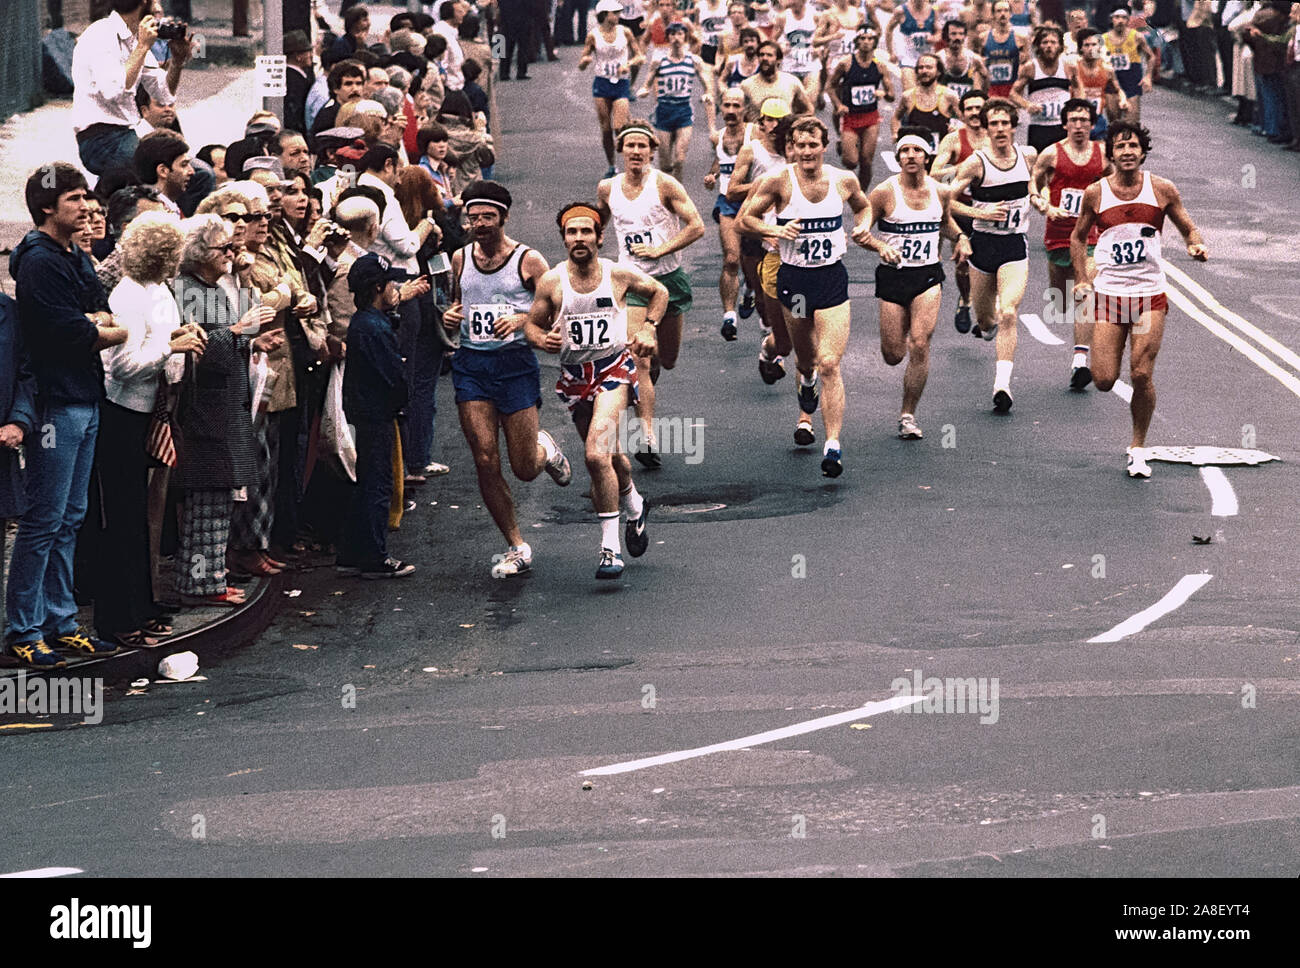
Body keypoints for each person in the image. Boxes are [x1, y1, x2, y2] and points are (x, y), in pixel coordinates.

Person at [6, 164, 129, 668]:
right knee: (44, 520)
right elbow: (72, 332)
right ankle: (23, 629)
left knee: (70, 518)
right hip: (57, 403)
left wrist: (97, 323)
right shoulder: (38, 261)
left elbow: (102, 310)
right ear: (47, 208)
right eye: (75, 199)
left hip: (84, 395)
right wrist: (100, 327)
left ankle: (60, 622)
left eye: (85, 197)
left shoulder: (72, 253)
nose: (85, 207)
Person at [522, 203, 664, 580]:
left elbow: (659, 291)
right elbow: (532, 325)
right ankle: (635, 506)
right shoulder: (552, 281)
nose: (579, 238)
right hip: (574, 378)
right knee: (613, 459)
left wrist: (649, 327)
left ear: (600, 237)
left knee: (595, 456)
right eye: (572, 232)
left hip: (613, 369)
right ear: (564, 239)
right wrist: (542, 340)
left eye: (587, 232)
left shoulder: (616, 274)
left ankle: (609, 549)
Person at [440, 182, 574, 578]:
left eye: (487, 217)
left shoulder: (528, 261)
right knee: (484, 458)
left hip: (515, 365)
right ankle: (516, 545)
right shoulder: (460, 258)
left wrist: (520, 320)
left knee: (524, 468)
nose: (479, 224)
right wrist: (450, 316)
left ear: (504, 217)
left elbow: (557, 310)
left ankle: (545, 449)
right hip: (472, 366)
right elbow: (456, 304)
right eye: (473, 217)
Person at [1070, 121, 1208, 478]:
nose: (1127, 152)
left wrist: (1194, 243)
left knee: (1141, 372)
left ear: (1143, 151)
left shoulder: (1162, 189)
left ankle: (1138, 447)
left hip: (1149, 295)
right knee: (1102, 379)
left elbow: (1187, 226)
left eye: (1133, 146)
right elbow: (1077, 237)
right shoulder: (1096, 193)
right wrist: (1082, 279)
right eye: (1120, 147)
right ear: (1111, 154)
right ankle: (1133, 436)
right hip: (1111, 296)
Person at [736, 115, 872, 477]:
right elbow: (743, 221)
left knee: (830, 362)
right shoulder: (778, 181)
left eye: (814, 145)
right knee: (805, 359)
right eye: (800, 145)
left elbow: (863, 205)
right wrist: (774, 228)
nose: (807, 151)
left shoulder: (843, 180)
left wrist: (863, 225)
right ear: (791, 148)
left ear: (824, 147)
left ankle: (833, 445)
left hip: (831, 280)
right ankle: (805, 380)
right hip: (793, 281)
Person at [94, 211, 207, 647]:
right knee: (121, 517)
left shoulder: (158, 290)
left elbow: (156, 341)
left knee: (140, 515)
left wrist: (177, 332)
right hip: (124, 412)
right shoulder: (129, 296)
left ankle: (142, 602)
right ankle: (118, 615)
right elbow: (123, 367)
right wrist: (169, 346)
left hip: (151, 408)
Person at [172, 214, 283, 605]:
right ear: (200, 253)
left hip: (227, 406)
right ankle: (200, 584)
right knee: (206, 502)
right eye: (224, 248)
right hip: (206, 411)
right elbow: (198, 349)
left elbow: (234, 335)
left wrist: (253, 341)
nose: (232, 254)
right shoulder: (187, 289)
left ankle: (213, 578)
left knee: (220, 501)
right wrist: (238, 333)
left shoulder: (213, 287)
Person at [597, 121, 705, 468]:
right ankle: (646, 436)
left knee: (665, 359)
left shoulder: (665, 184)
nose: (636, 152)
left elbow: (697, 226)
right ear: (621, 150)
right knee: (639, 359)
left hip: (669, 280)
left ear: (652, 151)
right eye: (630, 146)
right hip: (634, 284)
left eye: (643, 146)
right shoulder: (607, 188)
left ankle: (647, 380)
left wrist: (661, 251)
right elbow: (598, 223)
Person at [861, 129, 971, 440]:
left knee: (920, 343)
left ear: (927, 157)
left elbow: (944, 223)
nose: (910, 155)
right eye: (904, 151)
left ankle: (907, 415)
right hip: (893, 277)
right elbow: (861, 230)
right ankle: (901, 337)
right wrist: (880, 246)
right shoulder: (883, 192)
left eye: (917, 150)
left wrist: (961, 238)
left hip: (927, 275)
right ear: (898, 158)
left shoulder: (940, 191)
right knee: (894, 354)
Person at [947, 97, 1038, 413]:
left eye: (1005, 123)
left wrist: (1040, 199)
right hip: (983, 247)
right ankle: (985, 327)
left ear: (1014, 126)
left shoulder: (1028, 156)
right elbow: (947, 201)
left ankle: (1002, 384)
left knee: (1009, 312)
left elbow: (1036, 185)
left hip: (1014, 246)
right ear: (986, 128)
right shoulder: (976, 163)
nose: (1000, 129)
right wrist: (979, 214)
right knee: (986, 322)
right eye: (994, 123)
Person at [341, 254, 418, 578]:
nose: (396, 288)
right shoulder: (373, 328)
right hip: (375, 414)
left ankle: (352, 554)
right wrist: (403, 399)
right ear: (377, 288)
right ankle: (373, 556)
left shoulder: (365, 322)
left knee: (364, 484)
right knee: (377, 484)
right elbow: (392, 375)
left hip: (364, 411)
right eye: (390, 283)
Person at [1031, 97, 1111, 390]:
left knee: (1084, 291)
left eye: (1084, 120)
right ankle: (1080, 346)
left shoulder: (1103, 156)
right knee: (1061, 301)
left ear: (1092, 124)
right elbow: (1033, 184)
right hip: (1058, 234)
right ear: (1065, 124)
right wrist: (1043, 204)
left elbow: (1115, 186)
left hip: (1089, 235)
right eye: (1073, 120)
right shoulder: (1051, 154)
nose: (1079, 126)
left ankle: (1080, 362)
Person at [72, 0, 195, 176]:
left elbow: (163, 94)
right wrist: (142, 47)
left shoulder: (134, 39)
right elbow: (113, 91)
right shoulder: (99, 34)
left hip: (126, 134)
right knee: (162, 170)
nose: (157, 7)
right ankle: (110, 194)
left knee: (196, 172)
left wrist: (177, 62)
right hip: (99, 141)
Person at [727, 98, 794, 385]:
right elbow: (731, 192)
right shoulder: (751, 150)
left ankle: (776, 346)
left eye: (781, 122)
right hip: (757, 229)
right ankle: (756, 302)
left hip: (784, 243)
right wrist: (762, 187)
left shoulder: (795, 153)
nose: (775, 127)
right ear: (762, 122)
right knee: (763, 297)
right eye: (770, 121)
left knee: (789, 310)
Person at [931, 89, 989, 335]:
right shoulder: (954, 139)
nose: (975, 113)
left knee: (990, 264)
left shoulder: (996, 137)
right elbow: (934, 173)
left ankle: (988, 310)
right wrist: (965, 169)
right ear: (962, 114)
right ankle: (966, 300)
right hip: (960, 210)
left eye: (979, 108)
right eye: (970, 109)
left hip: (988, 209)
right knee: (963, 266)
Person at [636, 21, 716, 180]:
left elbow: (707, 84)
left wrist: (707, 94)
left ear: (685, 37)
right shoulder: (660, 61)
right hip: (664, 110)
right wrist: (644, 90)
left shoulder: (694, 61)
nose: (676, 38)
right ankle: (666, 189)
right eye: (672, 34)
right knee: (665, 164)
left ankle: (677, 191)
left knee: (679, 159)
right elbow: (647, 84)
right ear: (668, 38)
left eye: (680, 34)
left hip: (684, 111)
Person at [579, 0, 646, 178]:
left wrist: (628, 64)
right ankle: (611, 165)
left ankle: (632, 162)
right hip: (602, 82)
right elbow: (582, 62)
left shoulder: (625, 32)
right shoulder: (593, 35)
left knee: (619, 126)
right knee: (606, 128)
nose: (617, 16)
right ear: (604, 15)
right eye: (614, 13)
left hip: (621, 83)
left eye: (618, 13)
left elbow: (640, 56)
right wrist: (585, 62)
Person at [705, 88, 749, 341]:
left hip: (754, 203)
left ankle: (750, 290)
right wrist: (712, 176)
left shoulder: (754, 136)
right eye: (727, 106)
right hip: (728, 202)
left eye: (736, 106)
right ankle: (729, 317)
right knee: (732, 259)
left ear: (744, 109)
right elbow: (719, 162)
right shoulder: (718, 137)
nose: (731, 111)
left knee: (755, 262)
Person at [827, 26, 894, 187]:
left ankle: (863, 196)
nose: (866, 42)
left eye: (870, 39)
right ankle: (843, 145)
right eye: (862, 38)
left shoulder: (880, 66)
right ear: (857, 41)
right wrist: (839, 104)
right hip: (850, 117)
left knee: (866, 160)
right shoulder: (846, 63)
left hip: (870, 117)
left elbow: (892, 95)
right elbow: (830, 86)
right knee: (851, 162)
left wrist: (883, 94)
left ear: (875, 42)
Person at [1010, 25, 1078, 152]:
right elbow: (1013, 94)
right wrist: (1027, 105)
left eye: (1053, 42)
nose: (1049, 46)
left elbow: (1079, 88)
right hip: (1039, 127)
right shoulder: (1030, 67)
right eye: (1045, 42)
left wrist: (1076, 106)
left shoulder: (1069, 67)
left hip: (1062, 126)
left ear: (1060, 46)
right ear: (1038, 46)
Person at [891, 52, 959, 153]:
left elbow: (966, 119)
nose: (924, 71)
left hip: (941, 154)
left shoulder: (949, 95)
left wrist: (957, 128)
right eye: (921, 67)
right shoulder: (908, 96)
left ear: (938, 72)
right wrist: (895, 134)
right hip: (916, 154)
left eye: (929, 67)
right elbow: (896, 117)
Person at [1103, 5, 1155, 121]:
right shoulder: (1103, 39)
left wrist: (1148, 76)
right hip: (1112, 83)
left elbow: (1151, 57)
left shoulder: (1136, 36)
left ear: (1128, 20)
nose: (1120, 21)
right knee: (1114, 121)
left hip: (1131, 81)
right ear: (1111, 19)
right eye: (1117, 17)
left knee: (1132, 121)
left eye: (1124, 17)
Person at [1075, 27, 1129, 139]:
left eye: (1094, 45)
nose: (1091, 49)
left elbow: (1118, 90)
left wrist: (1123, 100)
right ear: (1080, 48)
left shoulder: (1107, 70)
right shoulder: (1073, 68)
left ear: (1099, 47)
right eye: (1087, 45)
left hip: (1097, 120)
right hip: (1076, 120)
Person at [741, 39, 816, 118]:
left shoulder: (792, 82)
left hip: (785, 129)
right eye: (761, 55)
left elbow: (809, 110)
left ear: (779, 60)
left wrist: (793, 121)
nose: (764, 58)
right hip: (758, 128)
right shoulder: (746, 85)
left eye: (769, 55)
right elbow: (740, 115)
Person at [886, 0, 941, 92]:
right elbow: (889, 30)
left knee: (928, 93)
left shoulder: (932, 11)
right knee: (910, 93)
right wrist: (891, 52)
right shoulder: (901, 11)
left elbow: (939, 31)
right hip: (908, 58)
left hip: (926, 58)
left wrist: (934, 38)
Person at [776, 0, 823, 106]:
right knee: (789, 102)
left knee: (810, 101)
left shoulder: (815, 15)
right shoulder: (783, 17)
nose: (793, 4)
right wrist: (780, 48)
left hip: (811, 63)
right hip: (789, 64)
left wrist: (820, 48)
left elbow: (823, 36)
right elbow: (772, 40)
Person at [983, 0, 1028, 99]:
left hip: (1012, 91)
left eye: (1006, 10)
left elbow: (1026, 68)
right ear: (993, 14)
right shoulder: (983, 38)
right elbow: (978, 68)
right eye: (999, 11)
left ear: (1011, 14)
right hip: (991, 91)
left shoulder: (1021, 38)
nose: (1002, 14)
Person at [937, 18, 989, 101]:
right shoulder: (939, 58)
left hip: (967, 105)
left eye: (961, 34)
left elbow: (986, 78)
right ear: (946, 36)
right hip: (946, 105)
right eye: (953, 34)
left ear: (965, 37)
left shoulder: (974, 59)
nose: (957, 37)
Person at [284, 29, 316, 137]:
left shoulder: (293, 76)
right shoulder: (295, 82)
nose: (311, 55)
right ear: (298, 56)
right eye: (308, 51)